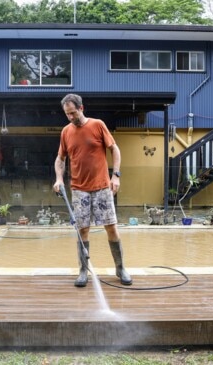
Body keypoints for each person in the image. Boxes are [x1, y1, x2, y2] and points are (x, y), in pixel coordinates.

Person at [53, 93, 132, 288]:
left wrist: (116, 175)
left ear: (81, 108)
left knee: (111, 227)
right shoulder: (66, 132)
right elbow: (60, 159)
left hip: (102, 187)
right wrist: (58, 178)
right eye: (67, 114)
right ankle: (83, 271)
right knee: (82, 230)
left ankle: (120, 268)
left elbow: (115, 149)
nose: (71, 117)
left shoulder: (98, 125)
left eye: (73, 113)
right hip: (79, 189)